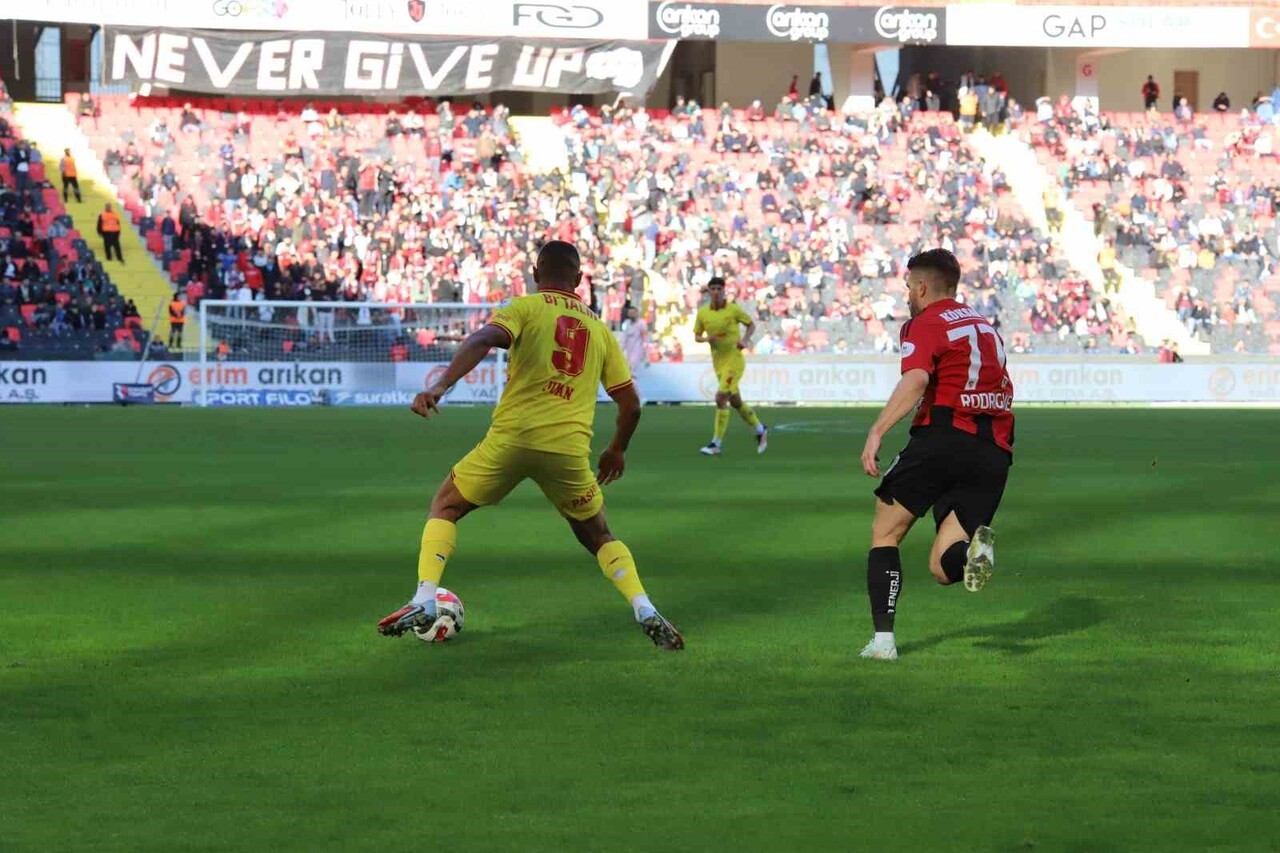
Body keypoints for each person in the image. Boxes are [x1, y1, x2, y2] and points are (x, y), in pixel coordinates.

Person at [377, 241, 683, 651]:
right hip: (568, 450)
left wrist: (440, 385)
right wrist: (617, 450)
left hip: (512, 438)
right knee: (598, 534)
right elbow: (631, 405)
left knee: (446, 505)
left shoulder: (525, 307)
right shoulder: (599, 330)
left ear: (535, 274)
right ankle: (643, 605)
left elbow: (483, 339)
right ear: (578, 280)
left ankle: (424, 597)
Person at [857, 249, 1014, 661]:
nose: (908, 293)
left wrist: (877, 430)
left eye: (909, 286)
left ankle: (883, 643)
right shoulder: (985, 326)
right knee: (944, 568)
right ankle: (972, 554)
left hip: (944, 436)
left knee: (885, 532)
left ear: (922, 286)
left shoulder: (923, 323)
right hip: (994, 451)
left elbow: (916, 380)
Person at [693, 277, 768, 456]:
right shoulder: (703, 313)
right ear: (709, 292)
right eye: (713, 289)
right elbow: (696, 335)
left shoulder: (733, 309)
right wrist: (706, 339)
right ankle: (760, 429)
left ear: (724, 291)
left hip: (734, 360)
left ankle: (716, 444)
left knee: (720, 398)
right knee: (735, 401)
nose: (717, 292)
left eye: (720, 288)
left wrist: (744, 340)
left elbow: (751, 325)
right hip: (718, 362)